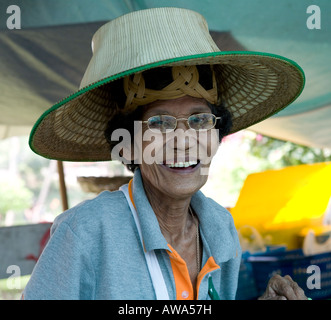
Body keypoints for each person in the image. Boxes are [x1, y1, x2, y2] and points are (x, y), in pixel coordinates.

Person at [23, 7, 307, 300]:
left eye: (199, 120)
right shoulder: (86, 233)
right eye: (159, 123)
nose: (183, 142)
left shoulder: (219, 227)